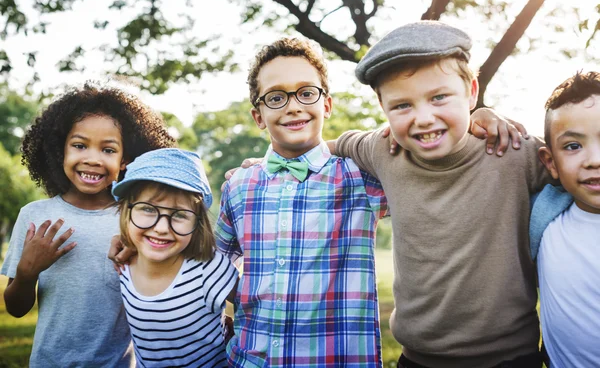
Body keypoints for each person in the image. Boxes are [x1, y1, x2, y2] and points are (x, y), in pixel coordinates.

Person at [215, 37, 526, 368]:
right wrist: (252, 294)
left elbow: (435, 156)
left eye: (307, 93)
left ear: (327, 104)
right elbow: (215, 267)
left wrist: (480, 117)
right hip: (248, 361)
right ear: (258, 115)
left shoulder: (361, 176)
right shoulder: (239, 186)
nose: (293, 106)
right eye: (276, 97)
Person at [333, 21, 551, 368]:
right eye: (402, 105)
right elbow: (332, 146)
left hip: (510, 358)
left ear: (471, 91)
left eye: (439, 97)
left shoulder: (513, 151)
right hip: (418, 360)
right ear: (382, 106)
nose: (423, 118)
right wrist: (267, 162)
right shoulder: (382, 149)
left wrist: (487, 115)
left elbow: (574, 159)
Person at [1, 80, 175, 367]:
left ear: (124, 160)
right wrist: (27, 272)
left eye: (108, 150)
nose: (93, 159)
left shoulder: (138, 219)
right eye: (80, 146)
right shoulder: (34, 216)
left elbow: (160, 301)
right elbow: (17, 309)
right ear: (60, 152)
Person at [111, 148, 239, 367]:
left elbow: (254, 310)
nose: (161, 228)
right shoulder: (124, 263)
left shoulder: (207, 269)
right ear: (126, 210)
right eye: (148, 209)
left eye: (179, 215)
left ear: (197, 223)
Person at [528, 71, 600, 368]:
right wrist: (484, 116)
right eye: (572, 146)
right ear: (550, 163)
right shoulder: (542, 218)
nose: (594, 159)